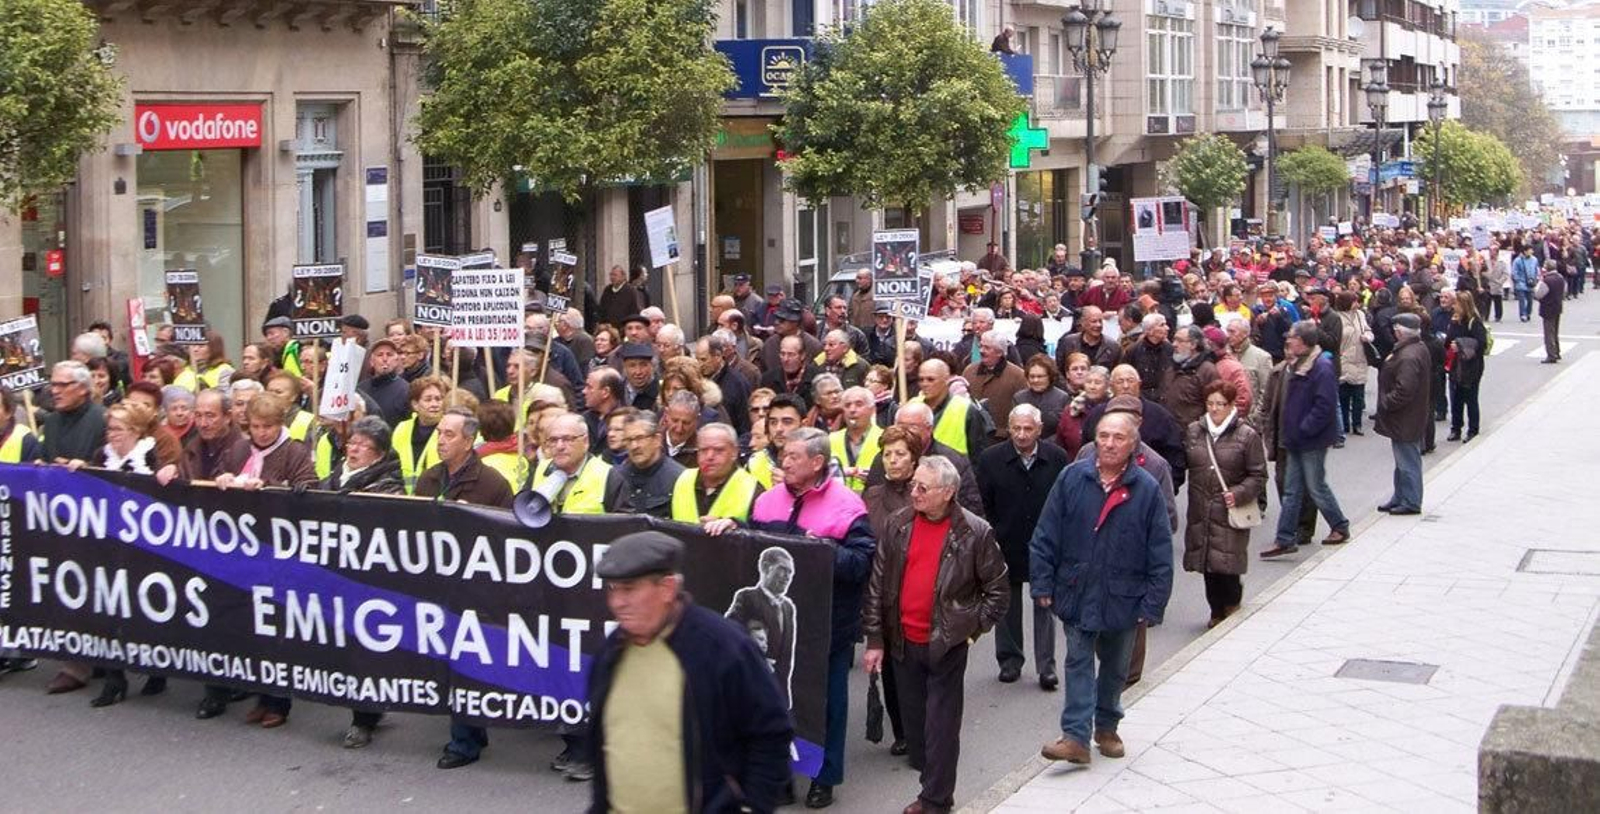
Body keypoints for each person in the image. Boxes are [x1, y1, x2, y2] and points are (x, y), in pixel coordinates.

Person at [586, 531, 794, 813]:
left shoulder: (722, 647)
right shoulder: (612, 652)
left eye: (629, 588)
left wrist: (752, 806)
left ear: (667, 588)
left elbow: (771, 733)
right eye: (612, 589)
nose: (617, 602)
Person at [862, 456, 1008, 814]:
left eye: (923, 488)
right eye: (914, 485)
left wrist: (970, 630)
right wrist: (875, 639)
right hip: (903, 642)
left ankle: (936, 800)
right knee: (916, 729)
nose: (915, 493)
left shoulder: (975, 532)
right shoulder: (898, 525)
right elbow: (878, 585)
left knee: (941, 726)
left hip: (946, 644)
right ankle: (932, 785)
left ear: (948, 492)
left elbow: (998, 592)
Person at [741, 427, 876, 809]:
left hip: (826, 626)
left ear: (817, 463)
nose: (784, 462)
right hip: (775, 625)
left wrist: (826, 551)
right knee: (775, 700)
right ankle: (780, 774)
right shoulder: (767, 501)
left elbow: (862, 563)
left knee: (827, 704)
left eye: (793, 457)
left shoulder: (847, 505)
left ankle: (824, 777)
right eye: (783, 455)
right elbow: (751, 549)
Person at [1032, 409, 1174, 765]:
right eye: (1104, 436)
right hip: (1077, 589)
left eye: (1118, 438)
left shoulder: (1146, 489)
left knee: (1114, 667)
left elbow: (1160, 552)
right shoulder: (1071, 478)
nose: (1109, 444)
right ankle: (1076, 736)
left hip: (1124, 596)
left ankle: (1107, 726)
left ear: (1133, 444)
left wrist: (1153, 604)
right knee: (1077, 660)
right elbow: (1046, 534)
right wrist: (1043, 581)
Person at [421, 408, 517, 771]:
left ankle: (463, 741)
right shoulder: (430, 479)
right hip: (439, 583)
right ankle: (473, 728)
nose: (440, 440)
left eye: (449, 434)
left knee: (467, 660)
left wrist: (471, 521)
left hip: (477, 589)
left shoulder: (491, 483)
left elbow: (510, 537)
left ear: (468, 440)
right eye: (439, 433)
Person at [214, 392, 318, 727]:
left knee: (277, 629)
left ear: (280, 424)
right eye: (256, 427)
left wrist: (270, 486)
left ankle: (279, 702)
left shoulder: (294, 451)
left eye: (268, 427)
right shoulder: (240, 449)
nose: (261, 433)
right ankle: (260, 693)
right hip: (245, 546)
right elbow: (220, 471)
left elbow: (309, 490)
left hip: (280, 550)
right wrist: (224, 479)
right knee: (252, 626)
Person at [66, 400, 179, 707]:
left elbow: (176, 492)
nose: (111, 434)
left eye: (117, 429)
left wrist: (172, 472)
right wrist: (78, 470)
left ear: (134, 430)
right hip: (110, 545)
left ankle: (157, 671)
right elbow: (88, 487)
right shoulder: (102, 456)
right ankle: (115, 680)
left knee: (148, 610)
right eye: (109, 428)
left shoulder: (152, 454)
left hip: (147, 548)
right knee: (111, 610)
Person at [312, 415, 405, 748]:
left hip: (367, 580)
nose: (353, 449)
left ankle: (363, 719)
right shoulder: (338, 475)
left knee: (363, 649)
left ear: (378, 453)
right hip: (333, 573)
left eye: (362, 445)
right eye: (351, 443)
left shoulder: (388, 484)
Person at [977, 404, 1069, 690]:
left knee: (1044, 603)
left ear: (1039, 430)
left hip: (1044, 542)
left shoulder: (1056, 458)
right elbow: (983, 501)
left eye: (1028, 429)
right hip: (1006, 540)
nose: (1021, 435)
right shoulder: (991, 459)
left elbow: (1064, 502)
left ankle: (1046, 666)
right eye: (1016, 428)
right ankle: (1010, 660)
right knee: (1007, 604)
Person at [1260, 321, 1351, 558]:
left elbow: (1325, 405)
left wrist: (1304, 428)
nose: (1288, 341)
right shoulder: (1299, 364)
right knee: (1292, 490)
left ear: (1304, 342)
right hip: (1297, 439)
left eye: (1292, 337)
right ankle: (1285, 538)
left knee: (1316, 486)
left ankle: (1339, 525)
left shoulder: (1320, 366)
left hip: (1310, 440)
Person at [860, 425, 924, 757]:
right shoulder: (871, 496)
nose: (893, 460)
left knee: (919, 668)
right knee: (893, 670)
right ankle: (902, 731)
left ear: (914, 459)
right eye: (887, 454)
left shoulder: (925, 493)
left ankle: (923, 731)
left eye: (900, 454)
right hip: (883, 595)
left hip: (920, 593)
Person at [1183, 380, 1267, 628]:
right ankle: (1215, 610)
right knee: (1208, 563)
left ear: (1231, 405)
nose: (1215, 409)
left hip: (1229, 509)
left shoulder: (1246, 435)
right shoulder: (1194, 431)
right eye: (1210, 403)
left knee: (1227, 564)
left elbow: (1258, 475)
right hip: (1201, 507)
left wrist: (1239, 493)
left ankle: (1231, 606)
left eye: (1220, 404)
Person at [1375, 313, 1431, 516]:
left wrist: (1386, 402)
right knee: (1403, 461)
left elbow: (1404, 390)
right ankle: (1400, 496)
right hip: (1408, 416)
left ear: (1400, 332)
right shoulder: (1416, 348)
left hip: (1405, 417)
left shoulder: (1408, 355)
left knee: (1407, 461)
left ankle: (1411, 500)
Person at [671, 422, 762, 524]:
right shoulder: (682, 478)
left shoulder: (753, 489)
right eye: (704, 450)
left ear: (734, 453)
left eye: (719, 450)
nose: (709, 456)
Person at [614, 410, 686, 518]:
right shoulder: (615, 478)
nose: (634, 446)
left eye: (640, 438)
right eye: (629, 440)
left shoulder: (680, 479)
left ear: (657, 439)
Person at [910, 359, 988, 457]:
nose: (924, 384)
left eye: (930, 379)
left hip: (956, 469)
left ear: (946, 379)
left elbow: (978, 454)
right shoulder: (911, 406)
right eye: (921, 379)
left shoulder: (966, 409)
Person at [962, 331, 1027, 443]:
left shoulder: (1018, 376)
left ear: (1000, 352)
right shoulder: (969, 371)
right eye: (981, 346)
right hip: (970, 437)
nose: (982, 351)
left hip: (1002, 440)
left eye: (987, 348)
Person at [40, 361, 107, 464]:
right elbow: (46, 459)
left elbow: (111, 465)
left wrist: (85, 467)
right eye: (53, 385)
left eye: (63, 385)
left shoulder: (104, 419)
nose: (55, 391)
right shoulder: (51, 421)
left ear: (83, 388)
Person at [393, 376, 449, 493]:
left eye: (438, 399)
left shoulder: (449, 430)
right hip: (402, 500)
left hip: (436, 502)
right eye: (428, 400)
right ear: (415, 405)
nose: (434, 404)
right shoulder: (402, 429)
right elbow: (391, 465)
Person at [1446, 290, 1488, 442]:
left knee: (1470, 398)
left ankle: (1473, 429)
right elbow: (1448, 341)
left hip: (1471, 366)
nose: (1453, 306)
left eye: (1456, 303)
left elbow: (1481, 344)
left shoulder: (1474, 322)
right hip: (1456, 365)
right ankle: (1455, 428)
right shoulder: (1455, 320)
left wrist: (1461, 345)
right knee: (1455, 398)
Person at [1015, 354, 1070, 442]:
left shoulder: (1062, 398)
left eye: (1040, 376)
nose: (1035, 380)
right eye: (1032, 376)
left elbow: (1064, 429)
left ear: (1050, 377)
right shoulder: (1019, 398)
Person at [359, 337, 411, 425]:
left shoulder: (406, 389)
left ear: (396, 361)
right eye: (380, 355)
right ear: (371, 362)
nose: (385, 359)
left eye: (389, 355)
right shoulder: (361, 389)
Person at [1537, 259, 1567, 364]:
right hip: (1557, 306)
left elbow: (1538, 294)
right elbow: (1564, 292)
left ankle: (1551, 355)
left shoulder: (1546, 280)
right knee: (1555, 331)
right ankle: (1557, 351)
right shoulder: (1560, 278)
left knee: (1549, 332)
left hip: (1547, 308)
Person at [1511, 246, 1540, 323]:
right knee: (1522, 300)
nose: (1532, 252)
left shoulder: (1534, 259)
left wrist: (1537, 278)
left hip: (1531, 283)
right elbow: (1514, 271)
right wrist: (1517, 279)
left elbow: (1537, 269)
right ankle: (1523, 314)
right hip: (1521, 283)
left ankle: (1528, 313)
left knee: (1530, 300)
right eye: (1530, 250)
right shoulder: (1517, 260)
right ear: (1525, 251)